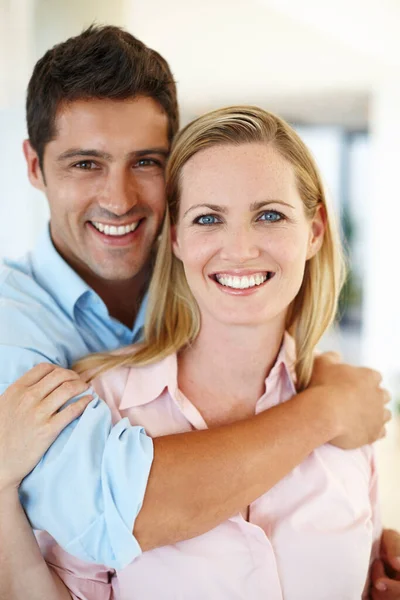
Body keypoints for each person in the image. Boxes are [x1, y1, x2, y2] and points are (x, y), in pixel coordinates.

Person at [0, 25, 397, 599]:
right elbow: (117, 513)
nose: (118, 199)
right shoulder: (32, 350)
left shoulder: (342, 407)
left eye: (146, 162)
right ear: (34, 166)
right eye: (85, 163)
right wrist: (326, 412)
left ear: (314, 231)